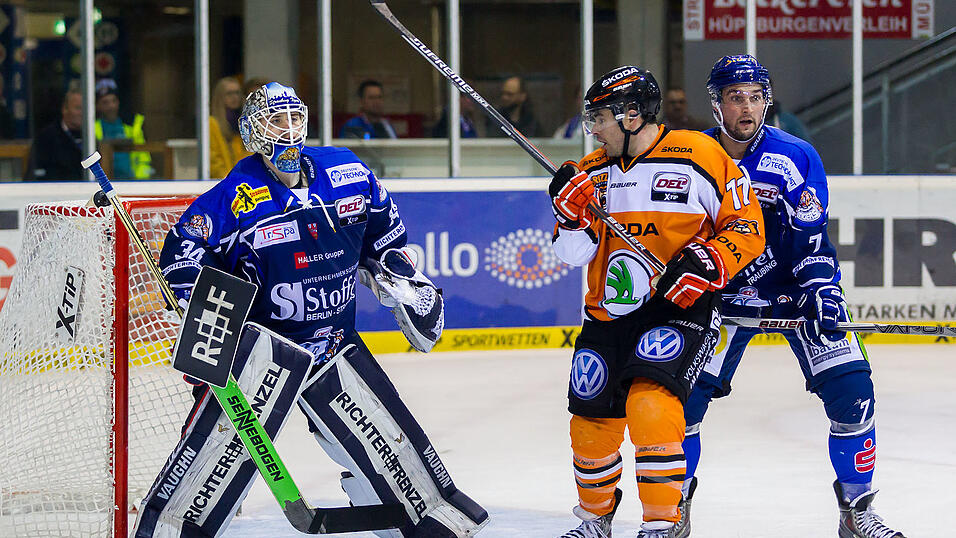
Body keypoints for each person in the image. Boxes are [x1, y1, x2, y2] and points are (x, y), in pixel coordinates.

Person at [132, 82, 488, 537]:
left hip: (333, 344)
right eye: (274, 119)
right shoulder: (232, 196)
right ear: (251, 131)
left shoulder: (347, 171)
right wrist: (197, 301)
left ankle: (407, 517)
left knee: (403, 472)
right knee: (206, 477)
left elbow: (387, 238)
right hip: (264, 355)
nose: (287, 129)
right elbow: (182, 261)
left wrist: (396, 277)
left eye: (292, 117)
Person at [675, 55, 906, 538]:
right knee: (680, 407)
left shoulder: (796, 156)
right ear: (715, 104)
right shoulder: (690, 157)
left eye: (757, 97)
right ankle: (673, 506)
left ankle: (855, 511)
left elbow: (811, 237)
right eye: (736, 97)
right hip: (719, 302)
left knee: (854, 394)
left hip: (793, 298)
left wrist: (822, 291)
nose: (748, 108)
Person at [549, 66, 765, 538]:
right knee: (590, 421)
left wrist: (711, 260)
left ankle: (662, 522)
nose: (594, 127)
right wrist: (569, 219)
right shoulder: (589, 171)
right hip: (608, 314)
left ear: (632, 115)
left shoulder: (700, 153)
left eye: (600, 117)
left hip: (679, 310)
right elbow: (570, 255)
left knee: (651, 406)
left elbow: (746, 226)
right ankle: (594, 517)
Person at [94, 78, 152, 179]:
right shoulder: (93, 128)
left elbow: (143, 158)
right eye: (105, 102)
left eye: (113, 101)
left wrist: (141, 182)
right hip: (105, 185)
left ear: (118, 102)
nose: (111, 106)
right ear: (97, 106)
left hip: (132, 183)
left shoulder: (132, 126)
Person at [25, 90, 84, 180]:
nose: (82, 113)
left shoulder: (91, 138)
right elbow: (34, 175)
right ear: (64, 109)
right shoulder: (46, 138)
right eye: (78, 108)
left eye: (85, 109)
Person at [209, 76, 251, 179]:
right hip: (222, 180)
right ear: (220, 97)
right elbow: (213, 159)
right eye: (229, 93)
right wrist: (228, 178)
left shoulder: (245, 122)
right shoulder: (212, 123)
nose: (234, 97)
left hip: (245, 179)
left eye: (237, 93)